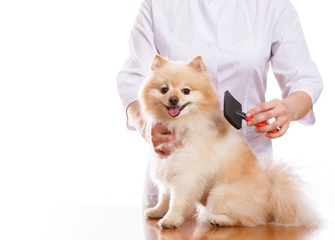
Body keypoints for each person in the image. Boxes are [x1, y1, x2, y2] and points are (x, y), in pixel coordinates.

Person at [117, 0, 323, 206]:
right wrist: (146, 126)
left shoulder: (273, 5)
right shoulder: (157, 4)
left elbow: (305, 80)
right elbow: (133, 77)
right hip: (174, 164)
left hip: (242, 171)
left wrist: (288, 108)